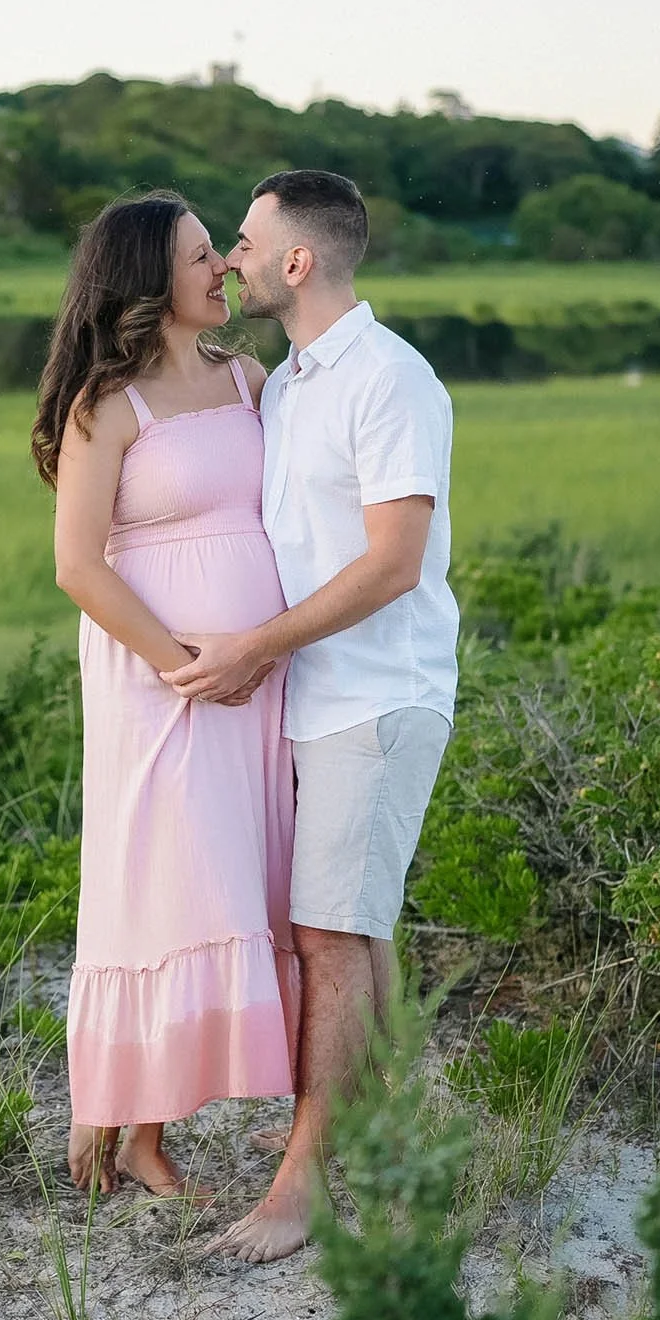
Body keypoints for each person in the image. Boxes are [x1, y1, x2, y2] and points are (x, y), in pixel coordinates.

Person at [173, 169, 459, 1264]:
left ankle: (302, 1184)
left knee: (329, 937)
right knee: (355, 928)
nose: (230, 259)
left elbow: (392, 563)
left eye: (243, 242)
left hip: (378, 695)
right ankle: (390, 1149)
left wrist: (254, 646)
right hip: (315, 697)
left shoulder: (390, 379)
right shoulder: (288, 383)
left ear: (298, 259)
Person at [33, 190, 301, 1198]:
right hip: (160, 679)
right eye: (200, 256)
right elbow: (76, 565)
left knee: (225, 877)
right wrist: (182, 661)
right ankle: (119, 1114)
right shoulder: (106, 402)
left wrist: (257, 650)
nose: (222, 269)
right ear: (149, 279)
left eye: (218, 254)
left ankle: (151, 1123)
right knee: (154, 875)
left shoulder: (248, 378)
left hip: (253, 679)